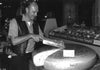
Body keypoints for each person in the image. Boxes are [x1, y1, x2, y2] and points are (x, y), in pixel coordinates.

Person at [7, 1, 43, 70]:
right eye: (33, 12)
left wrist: (56, 42)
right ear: (26, 10)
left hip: (32, 56)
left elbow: (42, 38)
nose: (36, 14)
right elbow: (14, 41)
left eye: (37, 12)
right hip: (18, 57)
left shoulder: (36, 24)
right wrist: (30, 35)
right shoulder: (15, 21)